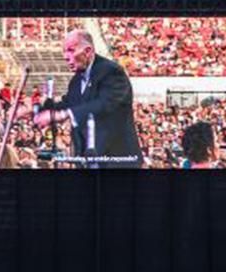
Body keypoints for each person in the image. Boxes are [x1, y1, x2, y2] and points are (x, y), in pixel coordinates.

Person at [33, 29, 143, 168]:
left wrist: (64, 114)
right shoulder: (76, 81)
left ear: (88, 51)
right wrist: (35, 108)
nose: (66, 57)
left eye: (71, 50)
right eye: (64, 51)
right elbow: (67, 104)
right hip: (87, 160)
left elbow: (104, 104)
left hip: (116, 160)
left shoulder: (111, 71)